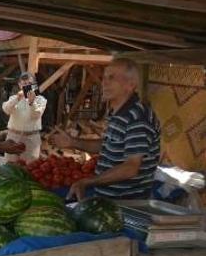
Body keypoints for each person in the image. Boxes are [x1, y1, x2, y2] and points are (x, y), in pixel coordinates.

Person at [50, 58, 161, 201]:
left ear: (130, 85)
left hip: (126, 204)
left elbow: (131, 168)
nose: (104, 82)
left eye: (112, 77)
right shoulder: (118, 112)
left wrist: (88, 181)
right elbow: (107, 145)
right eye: (104, 77)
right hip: (108, 199)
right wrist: (72, 142)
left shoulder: (137, 118)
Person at [2, 72, 47, 162]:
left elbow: (36, 115)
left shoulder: (41, 99)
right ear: (20, 85)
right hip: (14, 136)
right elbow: (6, 109)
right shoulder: (14, 98)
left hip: (31, 137)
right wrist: (17, 98)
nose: (27, 87)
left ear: (34, 85)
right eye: (24, 84)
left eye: (29, 84)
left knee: (31, 166)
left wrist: (31, 102)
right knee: (9, 164)